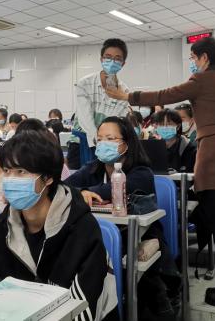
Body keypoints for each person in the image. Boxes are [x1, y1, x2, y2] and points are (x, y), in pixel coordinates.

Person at [106, 36, 215, 312]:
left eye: (194, 58)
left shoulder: (203, 79)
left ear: (205, 58)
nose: (192, 63)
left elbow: (165, 95)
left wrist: (127, 96)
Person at [0, 131, 118, 321]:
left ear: (48, 177)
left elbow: (82, 310)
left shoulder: (83, 231)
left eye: (21, 172)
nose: (10, 180)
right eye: (7, 171)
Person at [66, 116, 179, 320]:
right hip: (98, 238)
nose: (103, 144)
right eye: (100, 139)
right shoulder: (92, 168)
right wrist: (81, 192)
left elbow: (109, 190)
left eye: (110, 139)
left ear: (126, 144)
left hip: (139, 237)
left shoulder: (142, 173)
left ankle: (159, 304)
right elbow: (64, 187)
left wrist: (84, 192)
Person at [69, 39, 130, 169]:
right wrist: (98, 140)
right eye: (108, 57)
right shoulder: (84, 83)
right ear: (101, 59)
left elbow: (115, 121)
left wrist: (105, 142)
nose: (112, 62)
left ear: (123, 63)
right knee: (78, 178)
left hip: (108, 146)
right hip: (81, 142)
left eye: (117, 58)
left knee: (107, 178)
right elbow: (85, 117)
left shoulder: (124, 91)